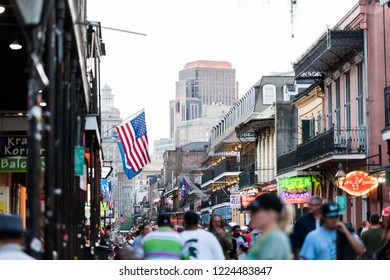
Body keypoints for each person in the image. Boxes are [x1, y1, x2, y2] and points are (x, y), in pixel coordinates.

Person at [299, 202, 365, 260]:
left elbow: (361, 250)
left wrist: (346, 232)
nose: (334, 220)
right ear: (322, 217)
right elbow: (307, 258)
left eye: (337, 216)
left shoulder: (347, 232)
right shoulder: (313, 237)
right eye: (330, 217)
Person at [246, 193, 292, 260]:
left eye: (255, 211)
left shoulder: (275, 239)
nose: (251, 215)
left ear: (270, 213)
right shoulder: (268, 237)